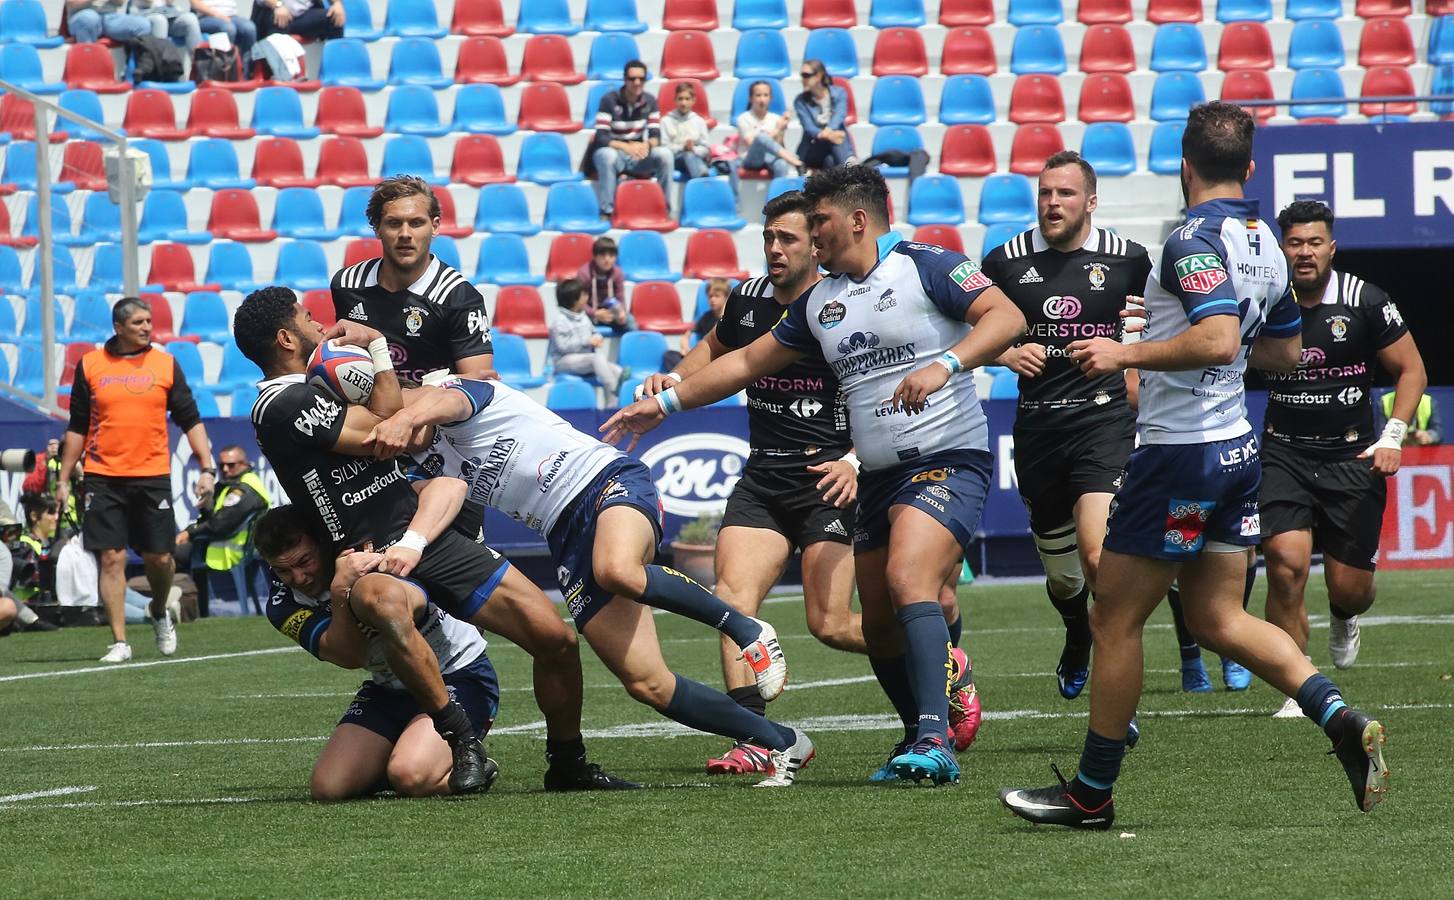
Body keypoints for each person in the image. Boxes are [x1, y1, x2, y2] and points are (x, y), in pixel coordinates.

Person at [999, 102, 1390, 830]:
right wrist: (1216, 348)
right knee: (1215, 616)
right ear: (1248, 168)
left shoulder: (1191, 240)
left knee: (1112, 617)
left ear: (1183, 166)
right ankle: (1338, 715)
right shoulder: (1265, 242)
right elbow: (1281, 354)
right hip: (1238, 449)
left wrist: (1127, 352)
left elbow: (1214, 339)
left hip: (1181, 457)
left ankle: (1091, 794)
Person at [605, 165, 1026, 785]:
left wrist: (946, 364)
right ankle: (913, 730)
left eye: (818, 222)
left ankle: (934, 740)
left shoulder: (928, 264)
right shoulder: (820, 304)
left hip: (943, 459)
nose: (808, 236)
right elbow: (744, 359)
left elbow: (1007, 318)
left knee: (900, 584)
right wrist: (666, 403)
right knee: (876, 625)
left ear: (856, 220)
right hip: (869, 476)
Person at [233, 286, 630, 791]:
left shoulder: (315, 385)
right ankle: (460, 739)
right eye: (308, 317)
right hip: (367, 554)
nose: (320, 324)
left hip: (424, 534)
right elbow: (385, 430)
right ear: (287, 337)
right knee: (339, 778)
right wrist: (392, 390)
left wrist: (377, 346)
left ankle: (568, 763)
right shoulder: (283, 402)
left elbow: (393, 418)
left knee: (553, 638)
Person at [368, 372, 813, 787]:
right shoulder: (419, 462)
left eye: (398, 410)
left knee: (616, 569)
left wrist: (405, 413)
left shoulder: (454, 391)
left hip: (603, 481)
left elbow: (449, 399)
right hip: (563, 535)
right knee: (647, 684)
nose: (396, 426)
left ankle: (746, 629)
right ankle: (782, 740)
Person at [980, 152, 1251, 698]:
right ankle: (1076, 632)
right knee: (1063, 578)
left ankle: (1116, 694)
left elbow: (1163, 324)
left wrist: (1132, 358)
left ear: (1092, 202)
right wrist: (1006, 354)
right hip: (1035, 430)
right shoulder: (1004, 261)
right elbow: (967, 323)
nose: (1053, 203)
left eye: (1066, 193)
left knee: (1099, 556)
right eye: (1045, 193)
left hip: (1103, 424)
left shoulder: (1129, 260)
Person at [1259, 200, 1428, 703]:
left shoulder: (1366, 300)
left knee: (1350, 588)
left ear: (1331, 247)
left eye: (1314, 243)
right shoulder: (1267, 301)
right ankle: (1298, 685)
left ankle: (1344, 615)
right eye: (1294, 243)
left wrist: (1393, 436)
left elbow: (1412, 370)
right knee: (1284, 563)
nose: (1304, 253)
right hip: (1283, 453)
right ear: (1280, 248)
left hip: (1352, 458)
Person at [257, 505, 504, 800]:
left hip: (456, 674)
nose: (299, 577)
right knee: (329, 789)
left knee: (410, 777)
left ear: (322, 543)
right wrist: (340, 591)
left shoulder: (368, 554)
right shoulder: (281, 604)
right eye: (283, 570)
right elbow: (350, 656)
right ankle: (400, 756)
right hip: (388, 688)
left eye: (304, 561)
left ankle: (471, 768)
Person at [55, 297, 216, 663]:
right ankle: (120, 642)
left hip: (152, 475)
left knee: (160, 559)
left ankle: (159, 610)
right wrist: (64, 479)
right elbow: (77, 426)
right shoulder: (91, 365)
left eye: (149, 321)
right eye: (139, 322)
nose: (147, 327)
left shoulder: (165, 364)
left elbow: (190, 419)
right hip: (102, 476)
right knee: (111, 559)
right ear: (118, 327)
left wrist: (206, 467)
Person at [332, 176, 496, 387]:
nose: (405, 234)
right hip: (369, 410)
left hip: (434, 413)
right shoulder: (348, 285)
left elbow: (478, 385)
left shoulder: (457, 296)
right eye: (394, 223)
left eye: (416, 223)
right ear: (377, 228)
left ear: (435, 226)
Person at [175, 445, 272, 617]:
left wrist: (189, 533)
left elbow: (220, 524)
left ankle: (171, 610)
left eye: (231, 465)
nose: (225, 469)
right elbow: (211, 519)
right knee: (167, 550)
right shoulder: (229, 484)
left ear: (244, 464)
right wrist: (206, 505)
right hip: (214, 544)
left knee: (167, 554)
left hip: (229, 550)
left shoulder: (245, 489)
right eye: (222, 466)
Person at [588, 60, 674, 218]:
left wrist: (645, 146)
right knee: (607, 155)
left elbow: (656, 136)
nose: (637, 82)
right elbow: (601, 137)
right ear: (625, 79)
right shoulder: (608, 100)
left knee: (665, 155)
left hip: (638, 154)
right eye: (632, 78)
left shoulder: (650, 101)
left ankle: (664, 208)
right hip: (615, 152)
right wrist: (625, 147)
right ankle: (607, 210)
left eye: (641, 79)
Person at [549, 277, 626, 397]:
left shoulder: (583, 317)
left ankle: (614, 405)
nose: (587, 297)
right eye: (583, 294)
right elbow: (562, 347)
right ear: (573, 299)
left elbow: (594, 332)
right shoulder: (560, 321)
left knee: (617, 371)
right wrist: (586, 341)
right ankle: (613, 388)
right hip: (563, 361)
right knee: (596, 359)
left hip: (584, 359)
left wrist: (597, 338)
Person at [793, 59, 856, 172]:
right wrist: (829, 135)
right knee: (835, 139)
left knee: (830, 161)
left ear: (819, 76)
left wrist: (829, 130)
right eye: (802, 75)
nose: (803, 79)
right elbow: (809, 128)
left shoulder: (839, 93)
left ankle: (842, 178)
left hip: (832, 149)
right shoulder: (800, 101)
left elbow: (840, 116)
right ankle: (849, 174)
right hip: (813, 148)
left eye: (806, 75)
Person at [736, 82, 801, 179]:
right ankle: (797, 163)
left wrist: (782, 130)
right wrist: (777, 129)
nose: (762, 99)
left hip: (769, 157)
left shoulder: (775, 119)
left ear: (770, 98)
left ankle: (779, 193)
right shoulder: (743, 118)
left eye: (766, 95)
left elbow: (779, 146)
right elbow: (751, 143)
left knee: (782, 164)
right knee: (761, 137)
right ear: (751, 98)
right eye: (758, 95)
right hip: (750, 158)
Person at [574, 236, 633, 334]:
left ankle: (631, 347)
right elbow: (579, 303)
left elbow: (620, 299)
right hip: (590, 313)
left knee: (630, 321)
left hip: (610, 313)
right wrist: (595, 313)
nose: (607, 259)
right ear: (595, 256)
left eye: (611, 255)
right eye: (603, 255)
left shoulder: (618, 273)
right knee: (579, 321)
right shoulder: (584, 273)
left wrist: (621, 313)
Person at [192, 0, 258, 61]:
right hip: (206, 16)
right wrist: (217, 15)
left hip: (231, 15)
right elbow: (196, 4)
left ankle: (247, 68)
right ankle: (228, 67)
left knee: (249, 28)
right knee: (228, 29)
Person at [253, 0, 344, 42]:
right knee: (277, 21)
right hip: (276, 15)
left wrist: (337, 3)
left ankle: (338, 68)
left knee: (334, 18)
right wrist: (278, 5)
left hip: (303, 15)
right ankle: (275, 75)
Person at [66, 0, 152, 44]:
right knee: (89, 18)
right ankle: (88, 64)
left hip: (110, 17)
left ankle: (136, 70)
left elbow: (120, 3)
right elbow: (72, 4)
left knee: (143, 25)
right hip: (83, 15)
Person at [1377, 389, 1441, 446]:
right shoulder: (1384, 402)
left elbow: (1438, 432)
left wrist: (1429, 436)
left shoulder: (1429, 401)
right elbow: (1379, 435)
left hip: (1421, 449)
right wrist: (1394, 436)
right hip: (1396, 449)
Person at [134, 0, 203, 51]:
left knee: (191, 18)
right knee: (160, 20)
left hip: (167, 12)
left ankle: (199, 66)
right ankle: (160, 66)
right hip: (144, 13)